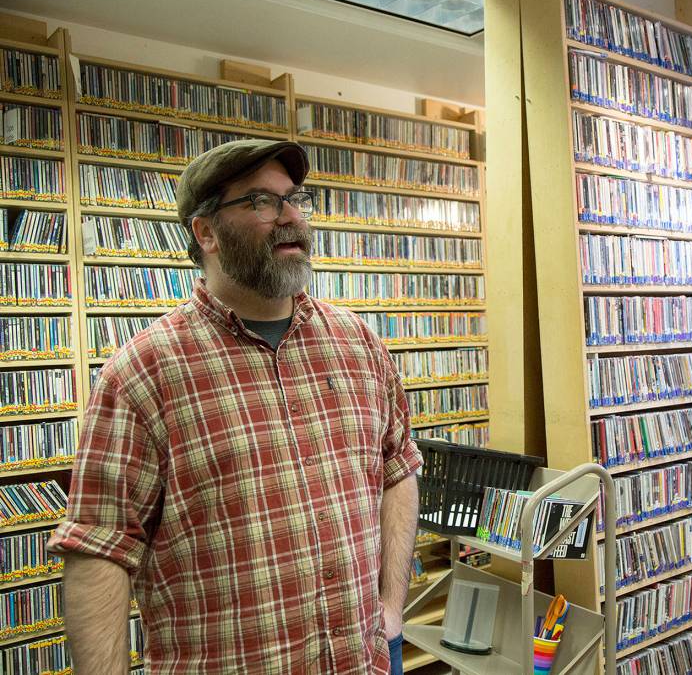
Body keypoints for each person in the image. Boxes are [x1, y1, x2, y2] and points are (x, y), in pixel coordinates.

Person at [48, 139, 422, 674]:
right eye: (261, 202)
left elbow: (398, 468)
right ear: (206, 233)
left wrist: (391, 605)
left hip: (367, 659)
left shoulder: (358, 343)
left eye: (296, 199)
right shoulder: (142, 373)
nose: (291, 217)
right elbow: (99, 549)